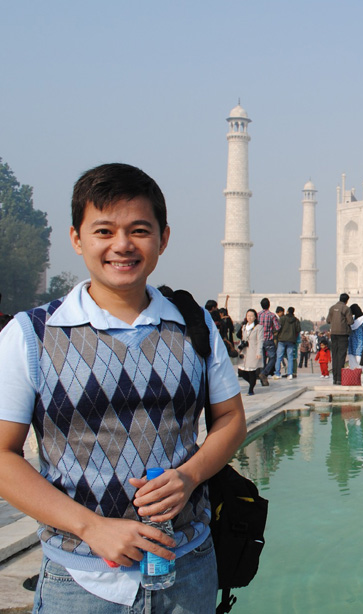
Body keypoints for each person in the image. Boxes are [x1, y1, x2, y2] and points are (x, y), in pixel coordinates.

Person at [0, 163, 246, 611]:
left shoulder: (194, 325)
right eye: (104, 231)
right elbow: (1, 455)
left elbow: (230, 419)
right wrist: (92, 527)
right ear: (77, 239)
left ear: (163, 238)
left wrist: (189, 476)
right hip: (79, 579)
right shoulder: (32, 334)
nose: (122, 246)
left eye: (138, 230)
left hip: (187, 570)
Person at [327, 293, 354, 385]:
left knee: (334, 356)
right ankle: (339, 379)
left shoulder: (332, 308)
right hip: (343, 334)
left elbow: (328, 320)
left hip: (333, 334)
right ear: (346, 300)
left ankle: (334, 378)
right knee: (341, 356)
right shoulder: (346, 308)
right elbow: (350, 321)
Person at [237, 308, 264, 394]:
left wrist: (259, 352)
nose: (249, 317)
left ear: (255, 317)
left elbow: (260, 340)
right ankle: (252, 383)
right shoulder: (244, 327)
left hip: (253, 351)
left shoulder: (258, 327)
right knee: (241, 371)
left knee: (251, 371)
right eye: (248, 316)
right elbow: (242, 338)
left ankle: (251, 390)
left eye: (251, 316)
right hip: (245, 351)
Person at [274, 306, 301, 379]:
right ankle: (290, 374)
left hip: (282, 340)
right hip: (291, 340)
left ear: (288, 311)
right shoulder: (296, 320)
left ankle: (277, 373)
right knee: (290, 357)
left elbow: (278, 328)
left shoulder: (282, 318)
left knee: (279, 357)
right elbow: (298, 329)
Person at [257, 298, 280, 382]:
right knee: (273, 357)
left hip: (259, 339)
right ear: (269, 305)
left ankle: (263, 376)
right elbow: (277, 327)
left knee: (262, 359)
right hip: (268, 339)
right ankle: (264, 373)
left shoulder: (258, 315)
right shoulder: (271, 315)